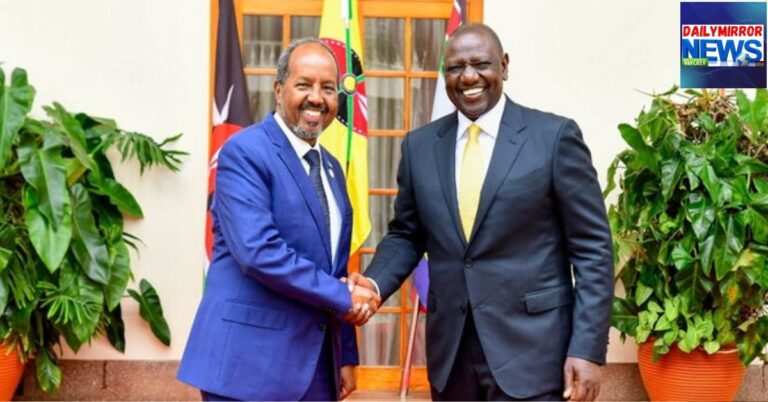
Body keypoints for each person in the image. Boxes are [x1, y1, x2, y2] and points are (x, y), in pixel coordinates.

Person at [350, 24, 613, 401]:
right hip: (452, 357)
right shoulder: (419, 147)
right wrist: (373, 285)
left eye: (481, 64)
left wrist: (586, 349)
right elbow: (407, 234)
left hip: (534, 355)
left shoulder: (554, 138)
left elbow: (593, 250)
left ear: (504, 66)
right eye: (456, 67)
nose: (469, 76)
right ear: (445, 76)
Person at [178, 38, 380, 401]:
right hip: (248, 366)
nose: (316, 98)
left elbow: (333, 268)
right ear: (279, 90)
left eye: (328, 88)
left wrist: (345, 354)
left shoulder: (332, 169)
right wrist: (344, 296)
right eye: (304, 85)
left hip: (315, 368)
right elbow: (259, 251)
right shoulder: (245, 152)